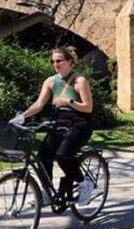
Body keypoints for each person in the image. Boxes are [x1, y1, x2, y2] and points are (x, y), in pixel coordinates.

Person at [12, 46, 95, 204]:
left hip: (80, 122)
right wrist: (22, 117)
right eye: (53, 61)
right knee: (43, 157)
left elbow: (88, 107)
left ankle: (85, 184)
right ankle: (47, 193)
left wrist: (69, 101)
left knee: (63, 155)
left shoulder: (79, 81)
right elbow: (39, 104)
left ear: (69, 62)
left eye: (59, 60)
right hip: (60, 121)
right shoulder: (50, 81)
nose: (55, 64)